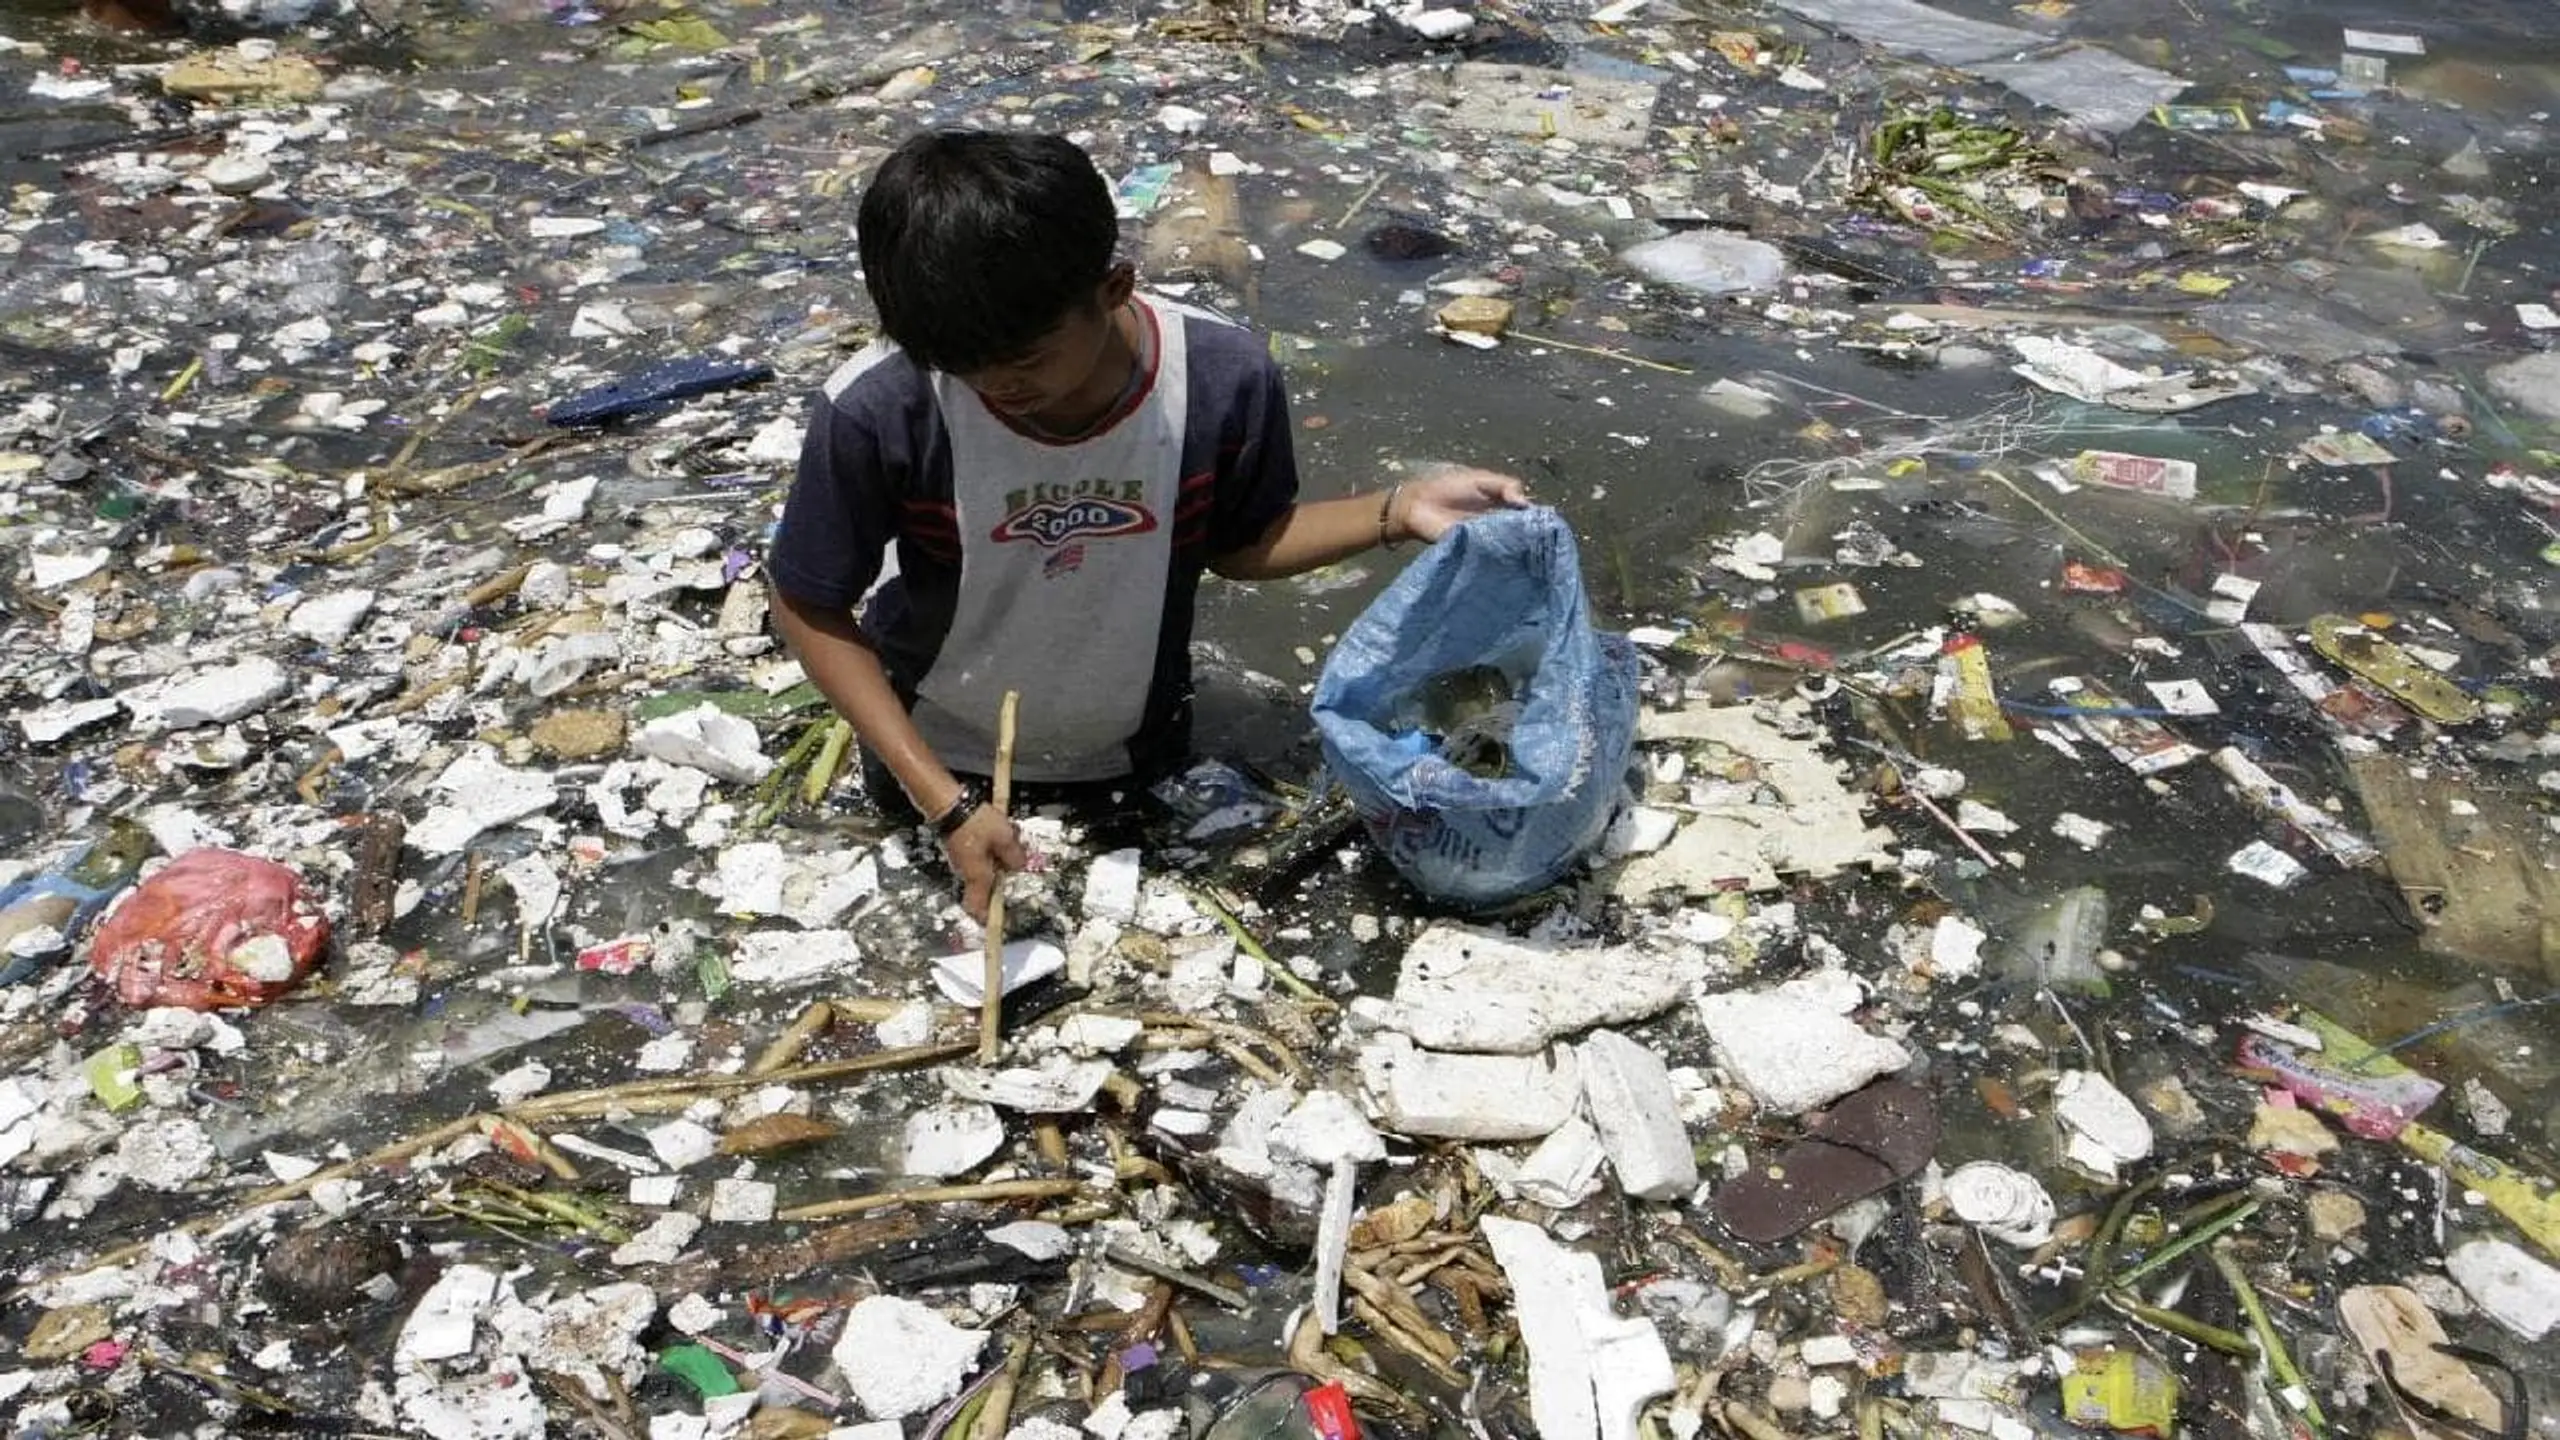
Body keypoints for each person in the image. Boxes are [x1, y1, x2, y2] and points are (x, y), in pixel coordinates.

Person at [767, 128, 1527, 920]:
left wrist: (1396, 510)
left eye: (1026, 360)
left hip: (1133, 748)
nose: (997, 388)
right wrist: (945, 805)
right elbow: (809, 602)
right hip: (935, 759)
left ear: (1114, 288)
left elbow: (1241, 543)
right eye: (964, 366)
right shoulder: (881, 405)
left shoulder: (1219, 378)